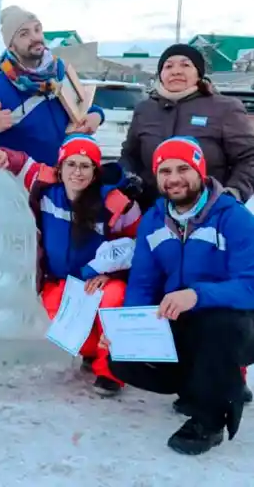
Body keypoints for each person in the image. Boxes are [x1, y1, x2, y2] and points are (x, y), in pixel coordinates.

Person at [107, 136, 254, 455]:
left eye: (183, 168)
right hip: (182, 316)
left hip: (235, 320)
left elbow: (250, 285)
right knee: (121, 360)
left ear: (200, 171)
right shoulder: (153, 220)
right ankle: (199, 386)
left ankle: (209, 419)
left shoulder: (234, 217)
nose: (173, 178)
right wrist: (129, 329)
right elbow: (143, 284)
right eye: (165, 171)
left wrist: (197, 295)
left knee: (218, 327)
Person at [0, 135, 141, 395]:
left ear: (95, 171)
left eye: (85, 165)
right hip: (59, 281)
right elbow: (22, 163)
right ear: (61, 167)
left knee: (113, 300)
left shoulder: (115, 202)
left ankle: (111, 371)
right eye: (71, 164)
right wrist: (3, 155)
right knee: (66, 329)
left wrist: (113, 273)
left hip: (99, 280)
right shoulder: (47, 189)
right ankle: (92, 354)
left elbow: (136, 245)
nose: (77, 172)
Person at [120, 44, 254, 210]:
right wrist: (127, 181)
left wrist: (235, 192)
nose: (176, 71)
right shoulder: (145, 109)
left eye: (185, 65)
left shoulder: (224, 108)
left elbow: (249, 157)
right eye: (168, 66)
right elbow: (130, 155)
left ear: (199, 73)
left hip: (210, 210)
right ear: (161, 74)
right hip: (152, 209)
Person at [0, 6, 105, 166]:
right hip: (28, 183)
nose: (35, 38)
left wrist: (97, 116)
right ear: (11, 46)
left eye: (37, 30)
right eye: (24, 34)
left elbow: (81, 104)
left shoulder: (59, 69)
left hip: (66, 176)